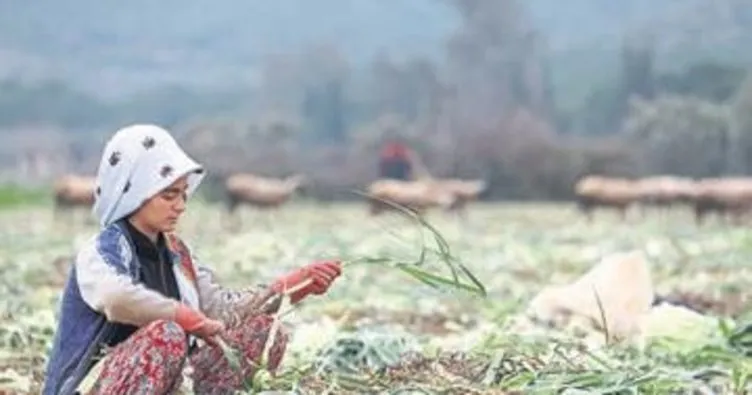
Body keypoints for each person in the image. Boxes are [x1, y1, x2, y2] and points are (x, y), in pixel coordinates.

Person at [42, 124, 343, 395]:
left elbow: (222, 312)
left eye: (183, 195)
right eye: (169, 196)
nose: (181, 206)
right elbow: (115, 297)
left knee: (264, 331)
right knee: (166, 334)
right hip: (94, 386)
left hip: (170, 379)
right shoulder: (102, 250)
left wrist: (288, 288)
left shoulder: (176, 253)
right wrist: (181, 316)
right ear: (134, 192)